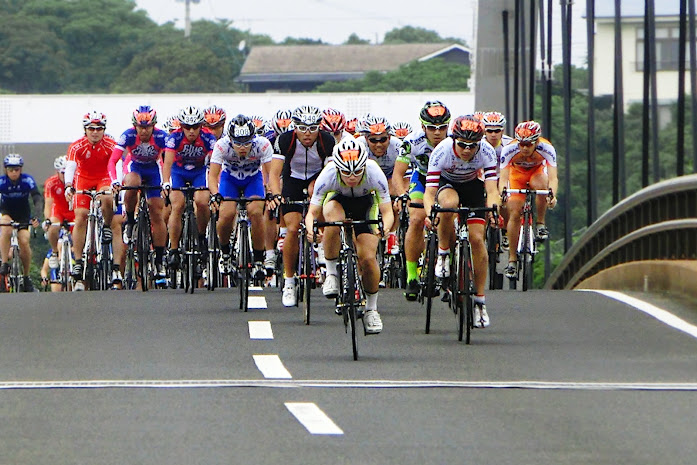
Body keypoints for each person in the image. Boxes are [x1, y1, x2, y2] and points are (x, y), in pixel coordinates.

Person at [305, 138, 394, 334]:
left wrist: (385, 228)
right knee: (333, 220)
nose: (352, 177)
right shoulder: (328, 173)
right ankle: (332, 274)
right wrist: (311, 229)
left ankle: (371, 309)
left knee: (369, 259)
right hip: (337, 202)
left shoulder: (373, 172)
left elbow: (387, 212)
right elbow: (312, 212)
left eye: (357, 172)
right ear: (337, 168)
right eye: (346, 172)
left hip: (365, 205)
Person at [423, 115, 499, 328]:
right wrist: (431, 213)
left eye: (472, 146)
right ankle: (444, 253)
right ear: (453, 139)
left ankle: (480, 302)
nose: (467, 150)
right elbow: (429, 194)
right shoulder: (442, 151)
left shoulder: (486, 151)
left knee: (477, 240)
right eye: (462, 145)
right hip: (448, 185)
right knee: (449, 203)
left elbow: (492, 190)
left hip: (473, 187)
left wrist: (493, 210)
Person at [267, 105, 335, 307]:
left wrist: (322, 191)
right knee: (293, 228)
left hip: (318, 177)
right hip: (293, 180)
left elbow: (331, 171)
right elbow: (273, 173)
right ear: (294, 127)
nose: (308, 134)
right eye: (303, 128)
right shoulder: (285, 140)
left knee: (322, 200)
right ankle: (289, 281)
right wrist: (276, 195)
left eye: (313, 128)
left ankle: (322, 245)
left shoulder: (327, 140)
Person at [391, 100, 451, 300]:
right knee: (416, 218)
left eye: (442, 127)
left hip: (448, 180)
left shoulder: (454, 140)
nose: (437, 132)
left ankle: (451, 265)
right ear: (422, 126)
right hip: (423, 179)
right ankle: (411, 276)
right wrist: (402, 194)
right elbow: (398, 175)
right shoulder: (412, 142)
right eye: (432, 128)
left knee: (450, 218)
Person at [208, 115, 273, 280]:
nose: (242, 148)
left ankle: (259, 259)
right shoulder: (221, 146)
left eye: (247, 143)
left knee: (256, 212)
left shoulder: (263, 144)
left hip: (253, 178)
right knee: (226, 215)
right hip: (230, 179)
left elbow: (270, 174)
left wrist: (270, 191)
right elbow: (213, 175)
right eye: (238, 143)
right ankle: (225, 253)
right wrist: (215, 194)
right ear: (230, 140)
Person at [109, 105, 168, 281]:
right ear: (135, 126)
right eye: (140, 127)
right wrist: (115, 180)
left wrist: (166, 183)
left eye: (147, 127)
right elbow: (113, 160)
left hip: (153, 170)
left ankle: (159, 259)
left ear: (153, 126)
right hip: (134, 166)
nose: (143, 131)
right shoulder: (127, 135)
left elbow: (167, 161)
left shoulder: (161, 137)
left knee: (156, 212)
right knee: (132, 182)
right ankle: (130, 220)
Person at [64, 111, 117, 291]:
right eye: (91, 129)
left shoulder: (111, 144)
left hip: (103, 178)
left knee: (107, 197)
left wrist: (118, 183)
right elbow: (70, 166)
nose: (95, 132)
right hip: (83, 179)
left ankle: (107, 226)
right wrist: (68, 185)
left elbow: (117, 164)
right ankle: (78, 261)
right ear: (85, 130)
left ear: (104, 130)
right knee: (81, 216)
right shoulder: (76, 146)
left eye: (99, 129)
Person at [499, 120, 558, 279]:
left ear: (537, 141)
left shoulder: (546, 148)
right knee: (514, 212)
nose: (524, 148)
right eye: (521, 144)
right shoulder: (510, 149)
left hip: (536, 172)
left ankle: (540, 223)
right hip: (517, 175)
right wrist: (502, 195)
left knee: (541, 185)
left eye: (528, 144)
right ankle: (512, 259)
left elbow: (553, 177)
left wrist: (552, 195)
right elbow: (503, 178)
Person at [162, 106, 216, 276]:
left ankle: (200, 236)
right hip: (179, 171)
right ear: (181, 126)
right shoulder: (174, 138)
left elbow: (216, 163)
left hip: (199, 172)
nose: (191, 131)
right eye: (187, 127)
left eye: (195, 127)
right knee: (177, 205)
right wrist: (165, 183)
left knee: (201, 201)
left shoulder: (208, 137)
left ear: (201, 126)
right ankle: (174, 248)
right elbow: (168, 163)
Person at [355, 115, 403, 254]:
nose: (378, 144)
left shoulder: (398, 146)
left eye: (383, 139)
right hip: (366, 178)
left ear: (389, 137)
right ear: (365, 139)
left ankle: (392, 235)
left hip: (390, 177)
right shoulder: (358, 146)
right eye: (373, 140)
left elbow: (402, 177)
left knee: (396, 201)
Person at [0, 154, 42, 292]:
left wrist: (36, 216)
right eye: (10, 170)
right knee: (5, 228)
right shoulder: (1, 182)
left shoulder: (27, 180)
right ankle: (5, 263)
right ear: (6, 170)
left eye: (16, 169)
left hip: (23, 214)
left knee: (24, 241)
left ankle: (26, 276)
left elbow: (36, 197)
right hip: (6, 212)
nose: (13, 172)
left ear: (20, 170)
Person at [43, 155, 74, 273]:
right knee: (52, 228)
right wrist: (47, 219)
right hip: (59, 211)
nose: (66, 176)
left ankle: (78, 259)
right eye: (63, 173)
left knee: (79, 230)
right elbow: (48, 203)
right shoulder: (51, 183)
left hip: (73, 211)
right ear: (57, 172)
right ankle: (55, 252)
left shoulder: (75, 181)